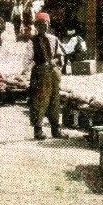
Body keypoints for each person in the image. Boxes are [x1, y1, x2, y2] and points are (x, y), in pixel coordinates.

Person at [22, 12, 65, 140]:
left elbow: (60, 56)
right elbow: (26, 61)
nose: (42, 27)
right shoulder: (32, 42)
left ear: (48, 24)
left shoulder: (54, 39)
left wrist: (56, 62)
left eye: (44, 24)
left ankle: (56, 130)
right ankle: (38, 130)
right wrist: (32, 68)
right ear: (36, 26)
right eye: (39, 24)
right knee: (39, 101)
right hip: (40, 74)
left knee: (55, 100)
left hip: (54, 74)